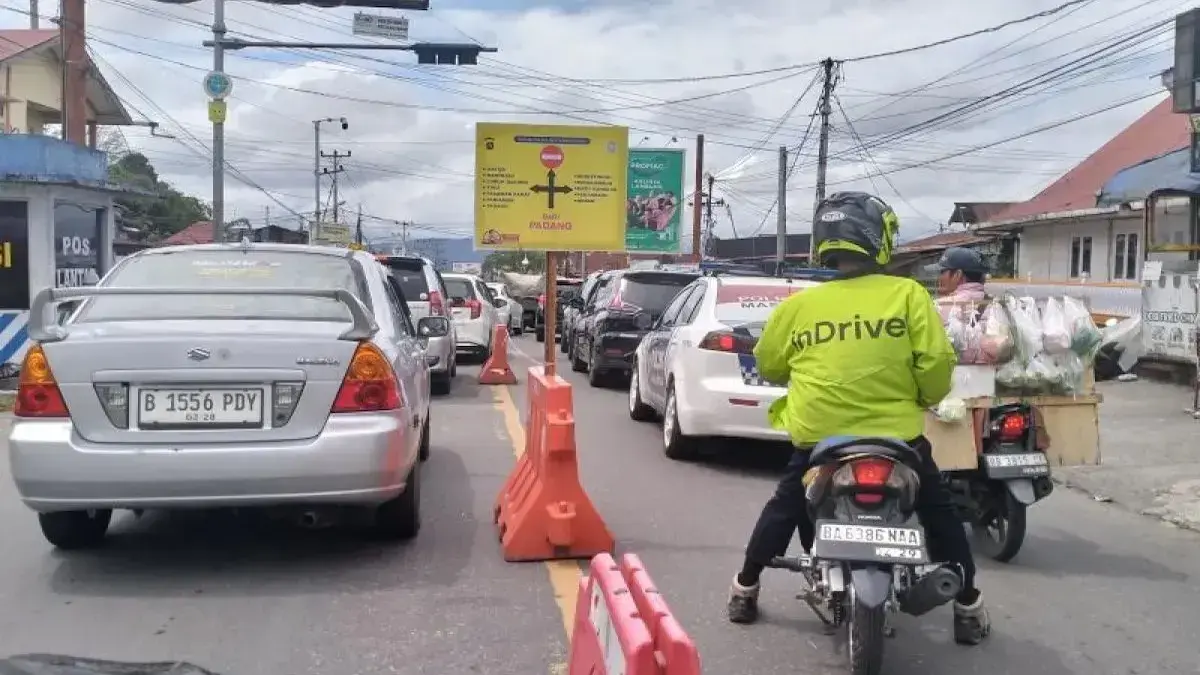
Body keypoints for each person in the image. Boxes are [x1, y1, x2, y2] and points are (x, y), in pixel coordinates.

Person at [725, 191, 991, 645]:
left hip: (819, 440)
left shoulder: (797, 307)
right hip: (898, 438)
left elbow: (770, 366)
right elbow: (934, 367)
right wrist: (923, 394)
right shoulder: (908, 294)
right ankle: (967, 607)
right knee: (937, 511)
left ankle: (745, 588)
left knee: (786, 505)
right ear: (878, 240)